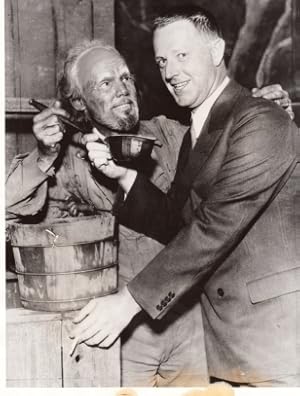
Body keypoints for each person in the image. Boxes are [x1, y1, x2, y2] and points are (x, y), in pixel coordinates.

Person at [6, 41, 293, 386]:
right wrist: (42, 155)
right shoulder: (65, 159)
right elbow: (9, 205)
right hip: (123, 335)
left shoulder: (168, 135)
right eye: (105, 83)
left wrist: (255, 111)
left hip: (190, 326)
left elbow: (230, 150)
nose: (122, 90)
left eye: (126, 78)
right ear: (79, 102)